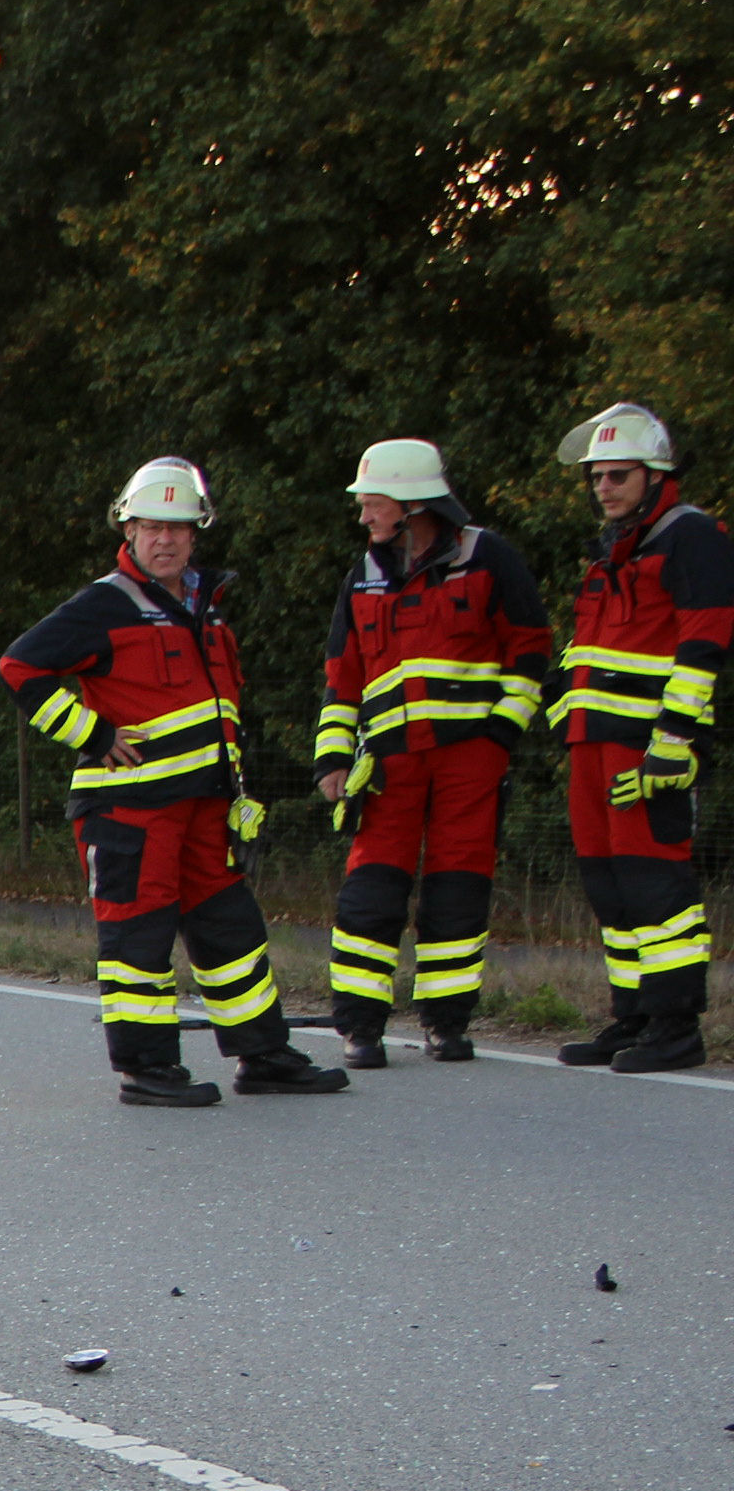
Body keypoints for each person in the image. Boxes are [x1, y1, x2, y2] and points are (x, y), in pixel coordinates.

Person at [0, 457, 349, 1106]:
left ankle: (263, 1053)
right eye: (151, 526)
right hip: (129, 812)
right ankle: (147, 1070)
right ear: (127, 531)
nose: (165, 539)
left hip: (202, 811)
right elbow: (20, 666)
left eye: (179, 528)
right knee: (138, 939)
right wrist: (94, 735)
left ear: (198, 534)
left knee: (233, 933)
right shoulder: (105, 605)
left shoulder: (206, 610)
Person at [311, 440, 551, 1068]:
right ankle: (360, 1028)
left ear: (412, 504)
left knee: (459, 890)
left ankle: (446, 1023)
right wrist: (333, 758)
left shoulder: (487, 558)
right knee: (371, 890)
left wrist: (501, 735)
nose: (363, 514)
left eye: (372, 501)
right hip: (389, 763)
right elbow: (342, 677)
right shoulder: (362, 575)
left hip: (470, 759)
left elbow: (530, 652)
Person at [546, 402, 729, 1072]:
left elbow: (704, 643)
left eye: (617, 476)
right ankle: (635, 1017)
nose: (603, 487)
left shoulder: (691, 536)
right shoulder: (613, 550)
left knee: (656, 885)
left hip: (649, 746)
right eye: (596, 477)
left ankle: (677, 1026)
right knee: (610, 885)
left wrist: (674, 741)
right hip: (593, 744)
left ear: (655, 476)